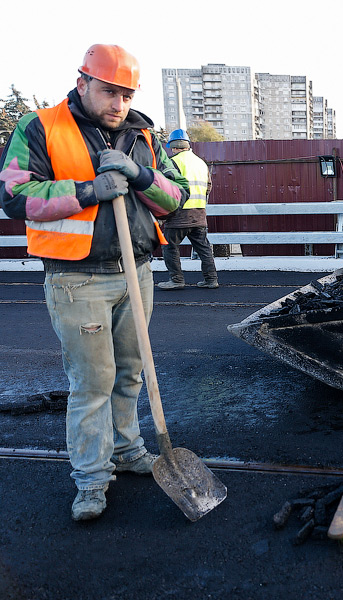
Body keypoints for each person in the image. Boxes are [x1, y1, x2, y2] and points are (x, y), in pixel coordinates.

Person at [0, 44, 188, 521]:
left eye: (126, 94)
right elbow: (14, 193)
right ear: (82, 82)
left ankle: (127, 450)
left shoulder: (143, 132)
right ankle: (91, 478)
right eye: (109, 92)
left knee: (131, 372)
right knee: (92, 383)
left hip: (137, 272)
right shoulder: (40, 126)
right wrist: (88, 192)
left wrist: (140, 175)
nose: (118, 104)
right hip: (76, 279)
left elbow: (176, 199)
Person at [157, 129, 218, 290]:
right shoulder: (201, 163)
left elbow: (167, 188)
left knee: (170, 247)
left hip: (179, 215)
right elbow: (208, 187)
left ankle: (176, 280)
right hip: (199, 214)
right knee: (204, 248)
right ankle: (211, 280)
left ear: (173, 146)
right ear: (187, 144)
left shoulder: (172, 162)